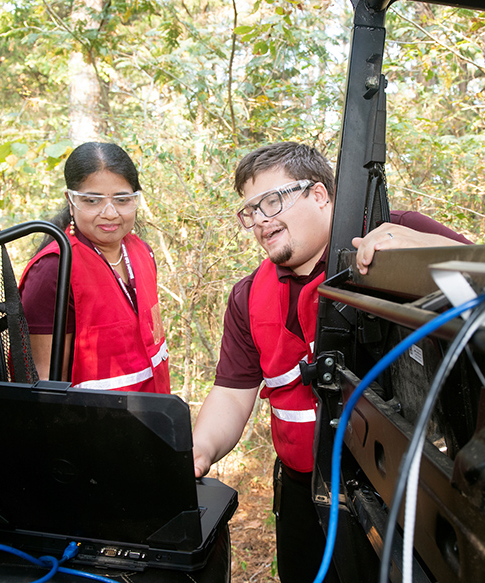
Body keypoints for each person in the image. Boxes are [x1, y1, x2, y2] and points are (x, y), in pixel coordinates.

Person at [191, 142, 470, 582]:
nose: (261, 221)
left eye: (272, 201)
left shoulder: (396, 234)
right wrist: (198, 451)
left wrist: (427, 251)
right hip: (303, 492)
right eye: (250, 211)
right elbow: (232, 392)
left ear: (320, 194)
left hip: (402, 496)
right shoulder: (248, 297)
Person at [18, 142, 169, 393]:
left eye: (122, 200)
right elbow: (43, 383)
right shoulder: (54, 269)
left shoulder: (141, 251)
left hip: (153, 419)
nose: (110, 213)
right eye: (92, 201)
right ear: (71, 200)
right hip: (91, 426)